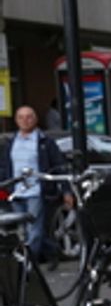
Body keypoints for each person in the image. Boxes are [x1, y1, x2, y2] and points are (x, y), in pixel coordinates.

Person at [0, 105, 66, 263]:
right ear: (16, 121)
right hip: (15, 192)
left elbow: (58, 165)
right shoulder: (11, 143)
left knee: (34, 229)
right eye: (21, 117)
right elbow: (4, 166)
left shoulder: (45, 142)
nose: (25, 120)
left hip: (35, 191)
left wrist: (66, 190)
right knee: (22, 231)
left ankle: (29, 264)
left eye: (29, 117)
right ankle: (52, 251)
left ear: (35, 120)